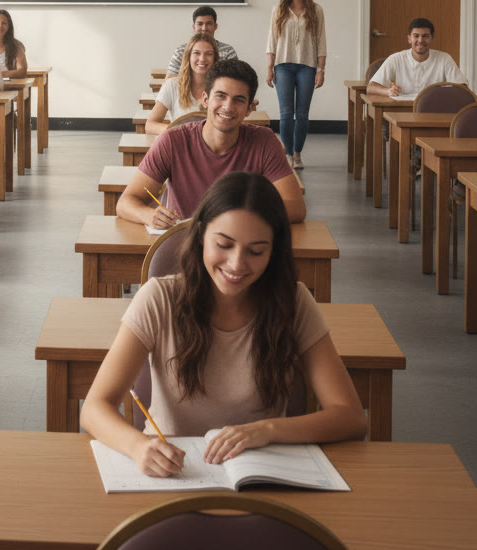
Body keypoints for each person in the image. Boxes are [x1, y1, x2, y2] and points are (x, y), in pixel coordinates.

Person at [80, 172, 365, 476]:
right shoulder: (159, 298)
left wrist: (266, 430)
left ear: (273, 251)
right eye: (224, 245)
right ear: (201, 235)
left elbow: (350, 417)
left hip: (261, 472)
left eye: (256, 251)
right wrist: (137, 446)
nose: (237, 264)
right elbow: (94, 408)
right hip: (174, 473)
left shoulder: (292, 301)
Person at [118, 59, 305, 228]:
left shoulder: (264, 141)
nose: (228, 106)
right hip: (184, 245)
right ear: (205, 99)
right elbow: (126, 202)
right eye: (221, 96)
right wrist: (148, 214)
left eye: (239, 100)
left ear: (249, 109)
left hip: (237, 245)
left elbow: (296, 207)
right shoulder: (171, 141)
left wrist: (236, 218)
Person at [265, 0, 327, 170]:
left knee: (302, 114)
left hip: (307, 66)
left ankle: (298, 154)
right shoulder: (279, 9)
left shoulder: (316, 10)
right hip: (283, 65)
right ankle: (288, 154)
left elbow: (321, 40)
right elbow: (271, 41)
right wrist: (269, 68)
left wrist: (321, 69)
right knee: (285, 113)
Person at [367, 17, 466, 98]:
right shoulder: (396, 59)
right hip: (401, 112)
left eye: (425, 36)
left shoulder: (445, 59)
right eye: (416, 36)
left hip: (434, 110)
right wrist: (388, 91)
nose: (420, 40)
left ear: (432, 38)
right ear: (409, 39)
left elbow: (463, 88)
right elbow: (371, 87)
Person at [146, 33, 218, 135]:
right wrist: (180, 132)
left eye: (209, 54)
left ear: (215, 58)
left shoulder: (221, 87)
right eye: (197, 53)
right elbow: (150, 125)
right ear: (188, 56)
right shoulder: (172, 85)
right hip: (180, 144)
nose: (202, 58)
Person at [164, 6, 237, 78]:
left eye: (209, 23)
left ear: (215, 26)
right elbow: (169, 81)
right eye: (200, 24)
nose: (204, 28)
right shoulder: (181, 51)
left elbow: (234, 82)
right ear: (194, 27)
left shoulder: (228, 51)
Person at [0, 8, 28, 80]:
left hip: (7, 87)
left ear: (8, 27)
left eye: (4, 23)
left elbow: (22, 71)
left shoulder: (16, 46)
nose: (0, 26)